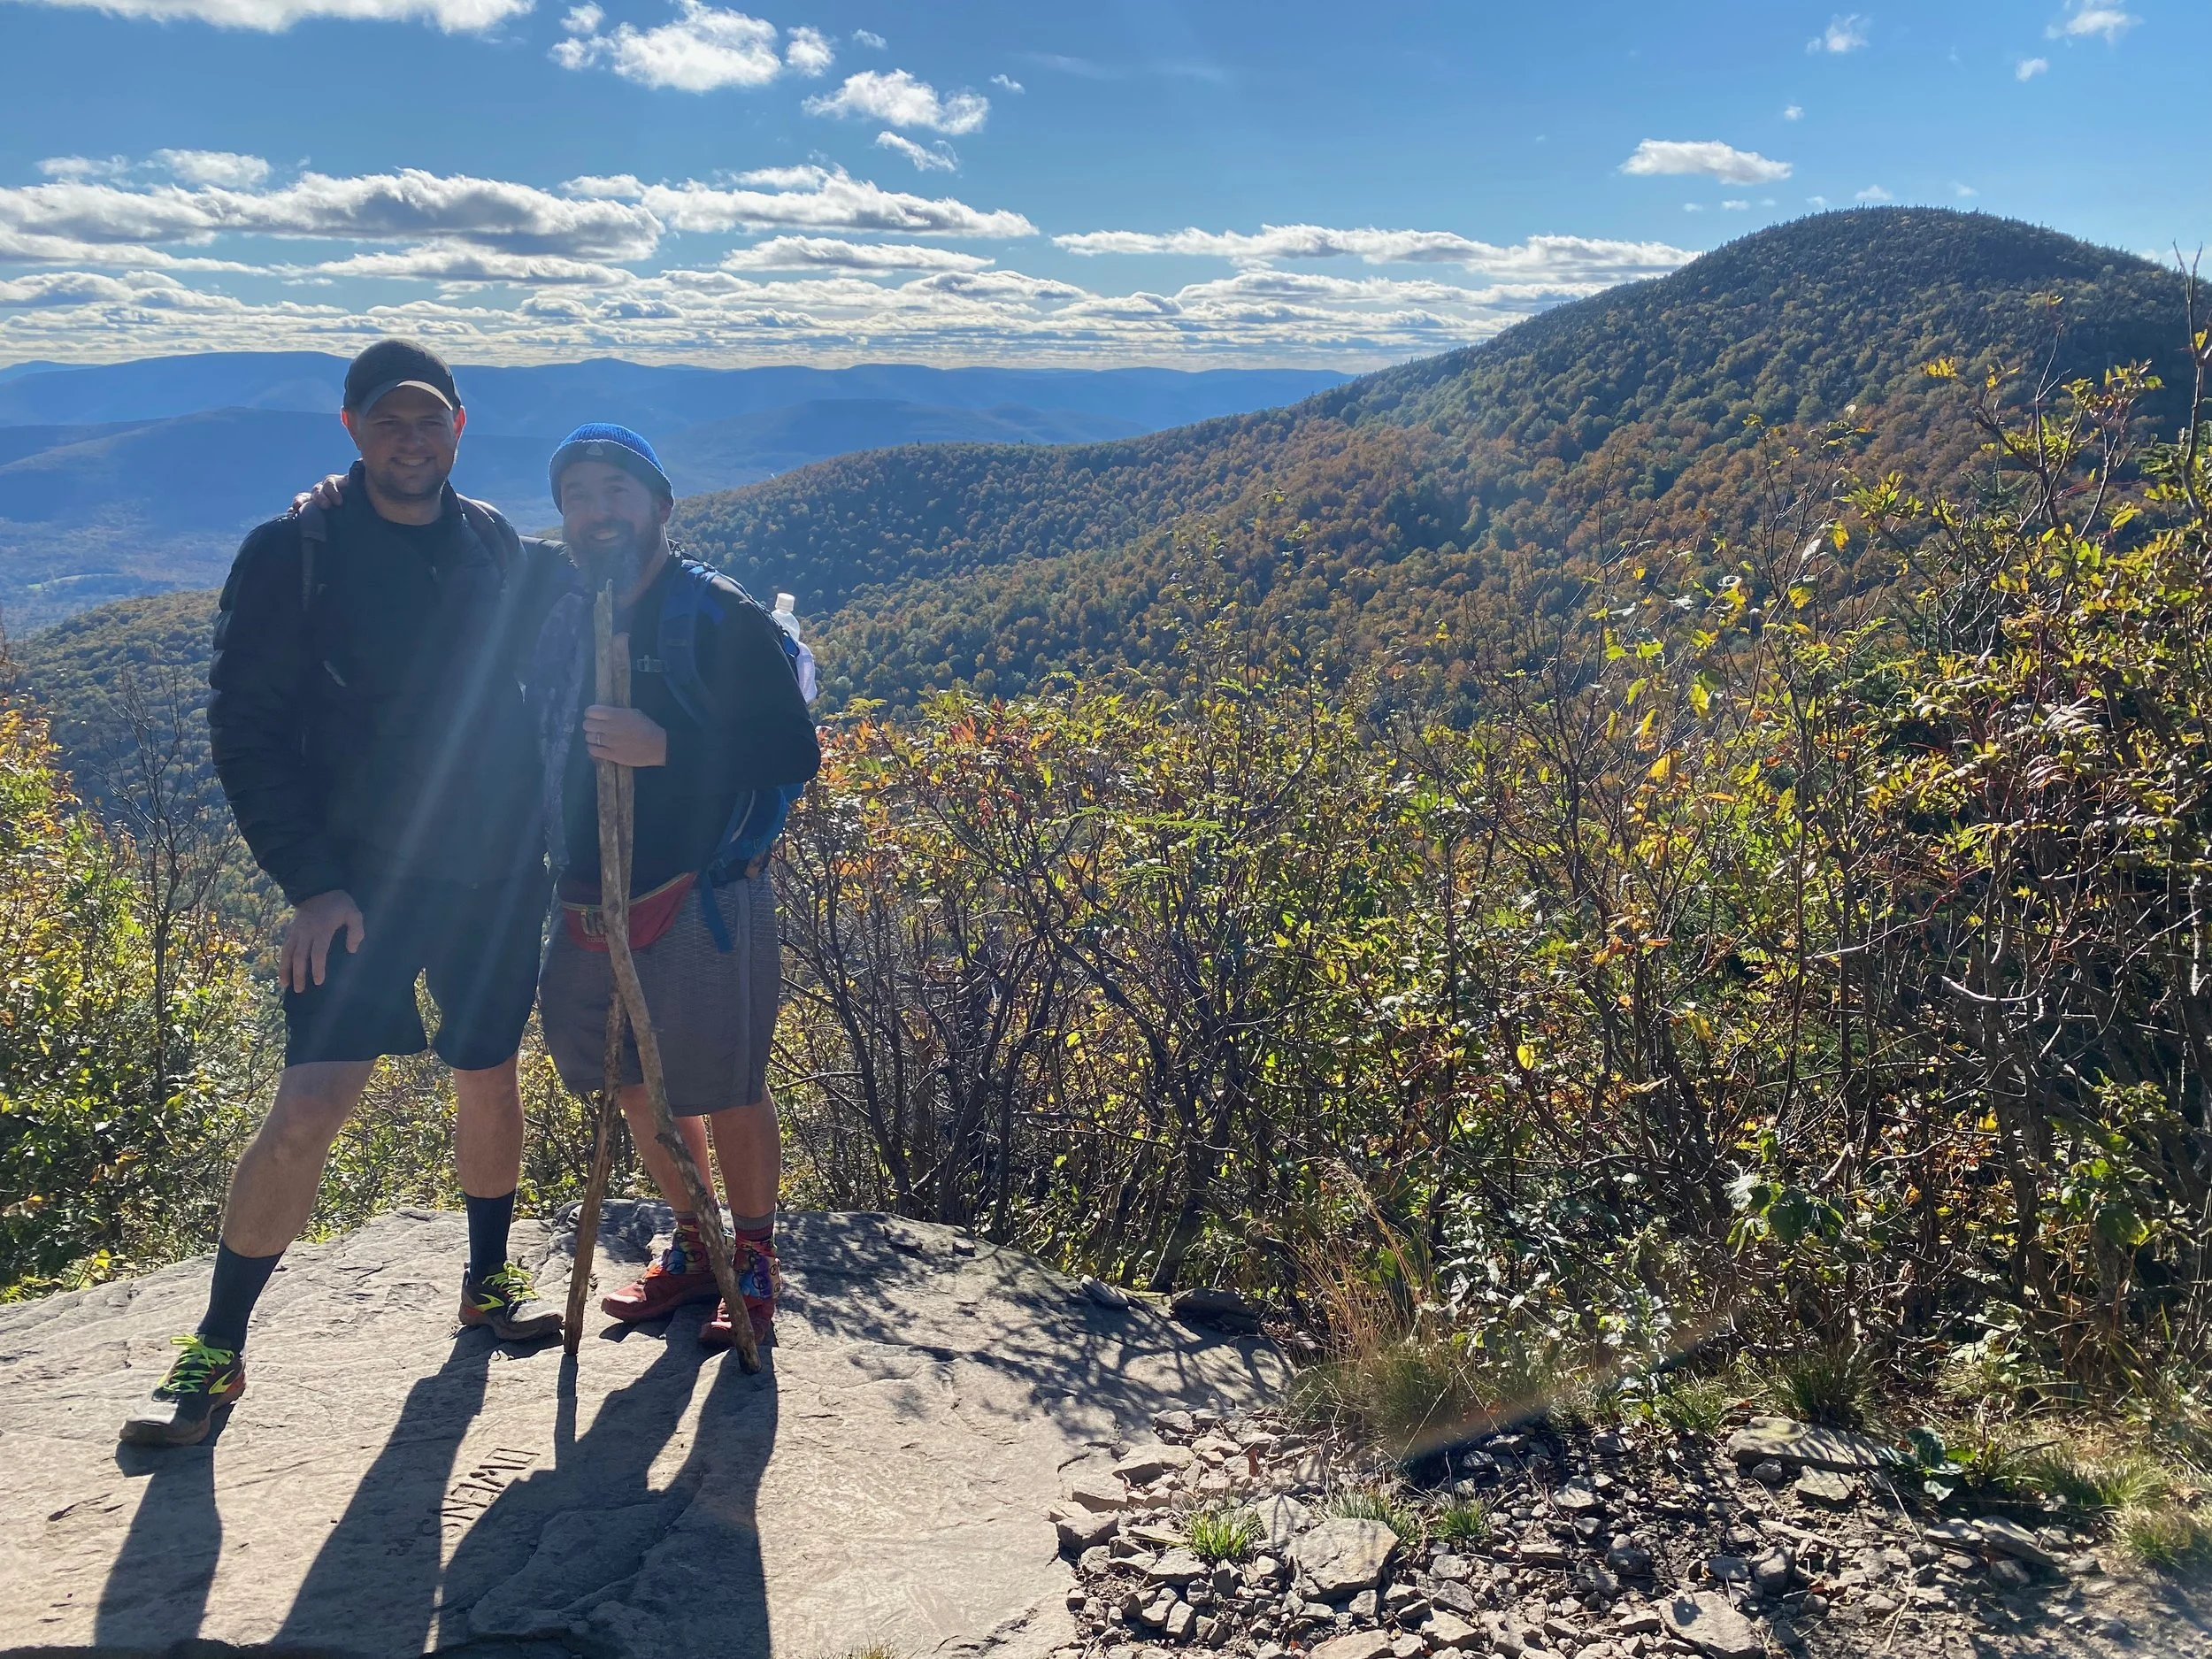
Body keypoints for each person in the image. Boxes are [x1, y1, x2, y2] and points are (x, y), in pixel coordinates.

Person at [122, 340, 565, 1449]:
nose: (410, 440)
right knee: (311, 1105)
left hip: (499, 869)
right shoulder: (295, 549)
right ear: (352, 429)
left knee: (488, 1075)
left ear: (459, 426)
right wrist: (309, 883)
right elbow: (246, 729)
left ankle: (487, 1284)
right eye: (388, 422)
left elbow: (598, 598)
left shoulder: (496, 545)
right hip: (358, 885)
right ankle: (216, 1351)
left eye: (428, 421)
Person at [531, 424, 818, 1350]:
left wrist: (667, 749)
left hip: (701, 891)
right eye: (577, 495)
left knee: (726, 1083)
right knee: (631, 1083)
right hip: (588, 890)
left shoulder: (716, 615)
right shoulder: (571, 611)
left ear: (660, 506)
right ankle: (696, 1241)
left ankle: (757, 1257)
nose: (597, 510)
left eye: (616, 491)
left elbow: (790, 749)